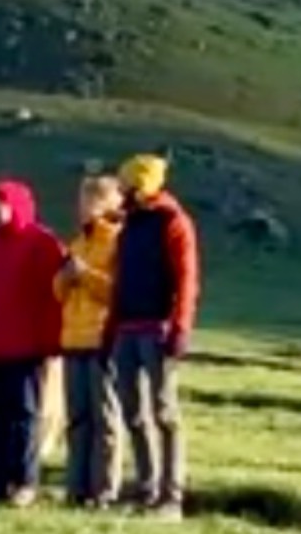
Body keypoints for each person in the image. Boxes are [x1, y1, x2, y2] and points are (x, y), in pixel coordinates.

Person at [109, 153, 200, 520]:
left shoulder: (173, 222)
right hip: (127, 329)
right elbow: (119, 279)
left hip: (158, 328)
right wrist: (111, 328)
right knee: (132, 412)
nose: (120, 193)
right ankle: (146, 489)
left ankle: (171, 496)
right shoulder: (128, 225)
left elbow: (187, 278)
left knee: (164, 412)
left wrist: (181, 327)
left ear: (140, 186)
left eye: (125, 186)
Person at [0, 177, 66, 507]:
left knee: (24, 415)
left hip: (26, 347)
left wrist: (51, 342)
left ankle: (25, 481)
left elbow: (55, 297)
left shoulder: (43, 243)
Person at [55, 174, 125, 508]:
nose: (82, 208)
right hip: (73, 339)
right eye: (81, 201)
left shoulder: (118, 242)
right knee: (77, 419)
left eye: (90, 201)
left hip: (102, 339)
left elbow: (117, 293)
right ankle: (76, 488)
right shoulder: (78, 243)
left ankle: (104, 490)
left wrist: (85, 275)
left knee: (104, 418)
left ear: (108, 204)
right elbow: (58, 293)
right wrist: (64, 279)